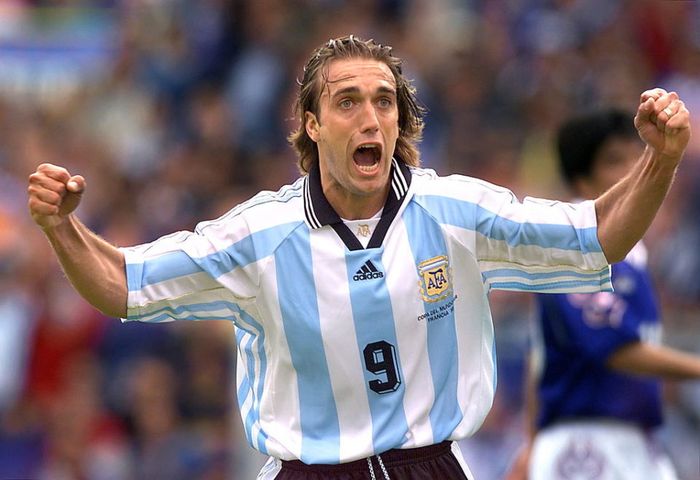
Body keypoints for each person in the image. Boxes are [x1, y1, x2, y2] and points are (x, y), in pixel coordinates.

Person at [27, 36, 691, 480]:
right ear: (313, 126)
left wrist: (660, 160)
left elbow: (597, 235)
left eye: (384, 101)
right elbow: (120, 282)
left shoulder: (453, 212)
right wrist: (62, 228)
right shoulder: (262, 235)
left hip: (431, 468)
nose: (371, 118)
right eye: (348, 102)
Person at [506, 109, 700, 480]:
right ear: (581, 181)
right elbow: (615, 349)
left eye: (637, 155)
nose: (633, 168)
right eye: (615, 160)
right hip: (586, 446)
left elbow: (538, 358)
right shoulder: (572, 249)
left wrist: (531, 443)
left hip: (633, 442)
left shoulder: (634, 257)